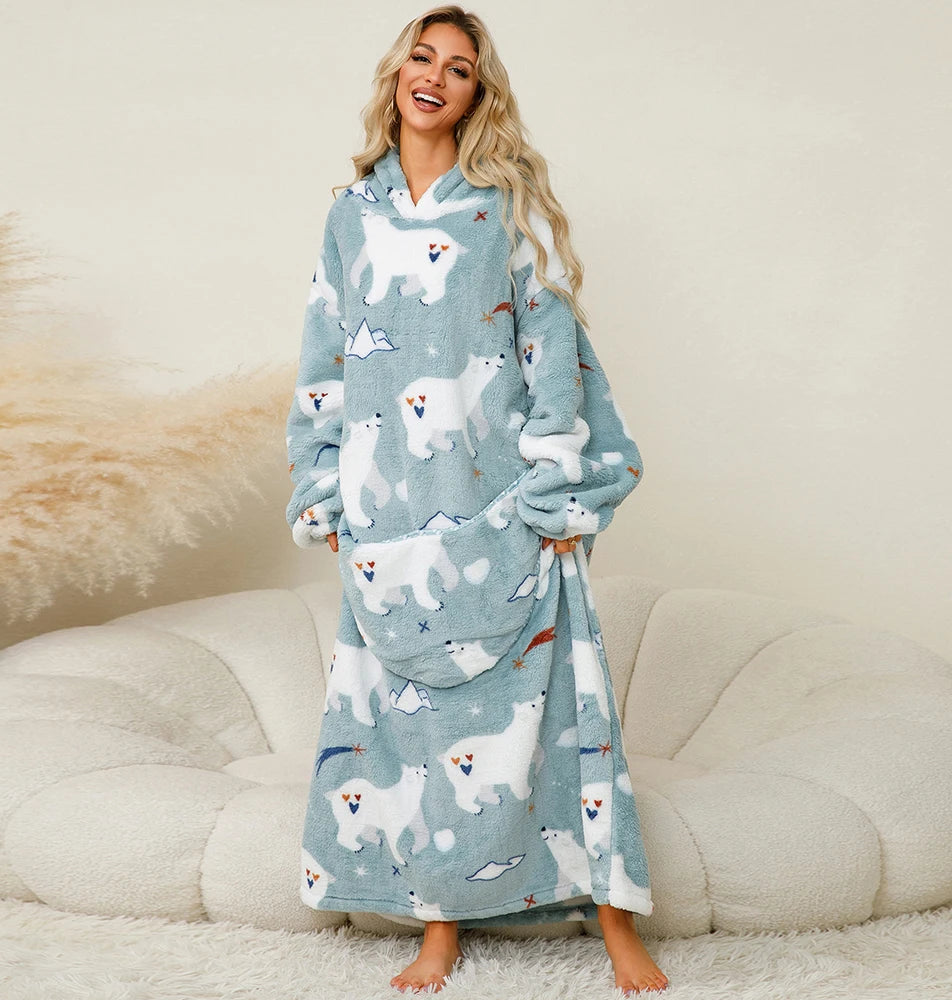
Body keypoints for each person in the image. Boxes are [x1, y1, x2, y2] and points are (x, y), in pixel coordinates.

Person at [285, 6, 669, 995]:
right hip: (388, 514)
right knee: (412, 730)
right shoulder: (350, 216)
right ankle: (438, 926)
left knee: (561, 707)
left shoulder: (507, 208)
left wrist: (550, 487)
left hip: (503, 506)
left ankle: (615, 916)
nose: (436, 76)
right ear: (397, 74)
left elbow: (553, 359)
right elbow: (324, 365)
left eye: (459, 68)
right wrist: (327, 491)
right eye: (423, 56)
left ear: (477, 94)